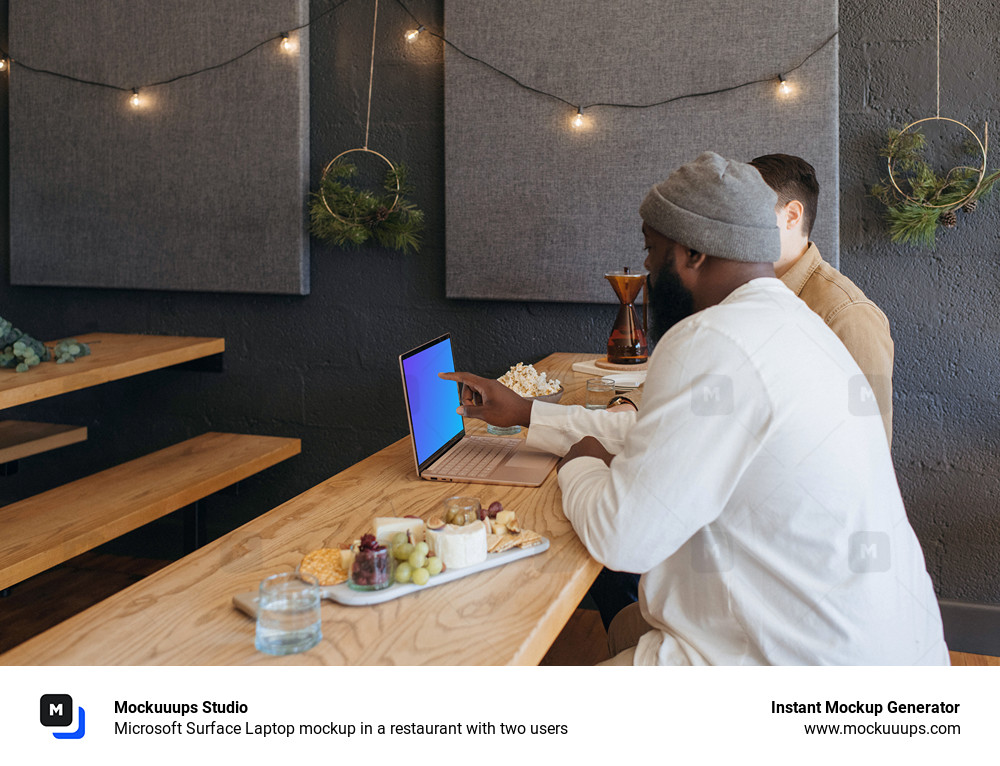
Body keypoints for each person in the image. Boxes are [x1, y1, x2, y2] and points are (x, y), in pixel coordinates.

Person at [441, 152, 946, 665]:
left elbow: (622, 539)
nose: (644, 268)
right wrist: (530, 413)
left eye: (651, 249)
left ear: (692, 255)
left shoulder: (709, 336)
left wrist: (582, 463)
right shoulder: (799, 321)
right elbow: (657, 434)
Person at [749, 154, 894, 447]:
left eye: (747, 214)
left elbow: (869, 445)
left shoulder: (848, 314)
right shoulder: (746, 295)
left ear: (791, 215)